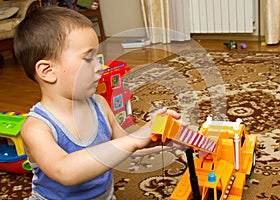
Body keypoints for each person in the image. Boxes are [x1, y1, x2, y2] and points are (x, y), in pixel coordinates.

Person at [14, 6, 181, 200]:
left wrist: (155, 136)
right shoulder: (36, 127)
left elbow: (122, 144)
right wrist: (133, 141)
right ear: (48, 71)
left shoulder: (100, 104)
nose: (100, 67)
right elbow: (64, 171)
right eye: (88, 59)